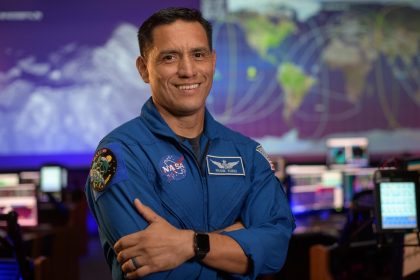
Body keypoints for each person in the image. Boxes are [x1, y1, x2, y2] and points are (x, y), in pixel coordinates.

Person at [85, 7, 295, 280]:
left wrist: (189, 244)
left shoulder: (246, 152)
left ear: (213, 61)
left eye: (198, 55)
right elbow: (150, 269)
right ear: (143, 69)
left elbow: (275, 249)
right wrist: (238, 244)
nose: (188, 70)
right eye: (169, 57)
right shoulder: (121, 154)